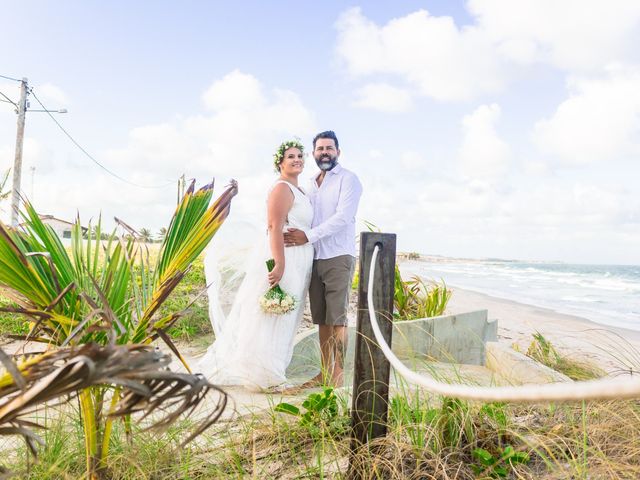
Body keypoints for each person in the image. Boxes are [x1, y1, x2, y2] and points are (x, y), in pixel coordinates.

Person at [197, 140, 314, 392]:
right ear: (280, 163)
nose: (296, 160)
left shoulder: (301, 190)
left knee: (285, 315)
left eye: (299, 156)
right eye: (290, 156)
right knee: (271, 314)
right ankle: (264, 375)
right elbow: (274, 226)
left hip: (299, 261)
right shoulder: (281, 188)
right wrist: (279, 263)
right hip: (286, 258)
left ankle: (272, 368)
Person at [284, 130, 362, 388]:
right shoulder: (309, 184)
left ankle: (338, 377)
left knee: (337, 318)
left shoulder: (348, 180)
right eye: (320, 149)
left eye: (329, 148)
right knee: (321, 319)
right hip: (313, 258)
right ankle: (324, 372)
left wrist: (308, 236)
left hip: (338, 255)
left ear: (338, 152)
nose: (325, 152)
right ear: (314, 153)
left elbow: (343, 218)